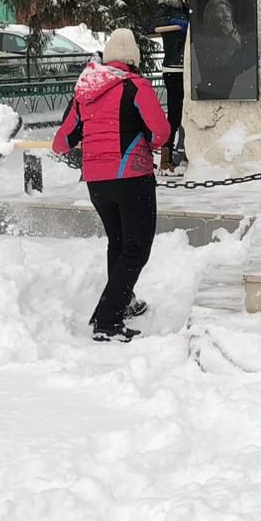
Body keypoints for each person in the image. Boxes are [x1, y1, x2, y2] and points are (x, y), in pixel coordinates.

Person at [53, 29, 171, 342]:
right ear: (134, 58)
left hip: (97, 182)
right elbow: (161, 131)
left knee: (118, 244)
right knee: (136, 249)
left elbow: (61, 142)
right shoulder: (136, 86)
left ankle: (124, 302)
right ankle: (107, 319)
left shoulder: (85, 91)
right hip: (132, 176)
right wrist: (150, 141)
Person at [145, 0, 190, 172]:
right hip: (174, 67)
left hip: (188, 67)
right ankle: (167, 153)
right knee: (175, 113)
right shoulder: (168, 7)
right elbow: (152, 25)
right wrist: (178, 24)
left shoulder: (187, 8)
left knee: (185, 111)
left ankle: (182, 150)